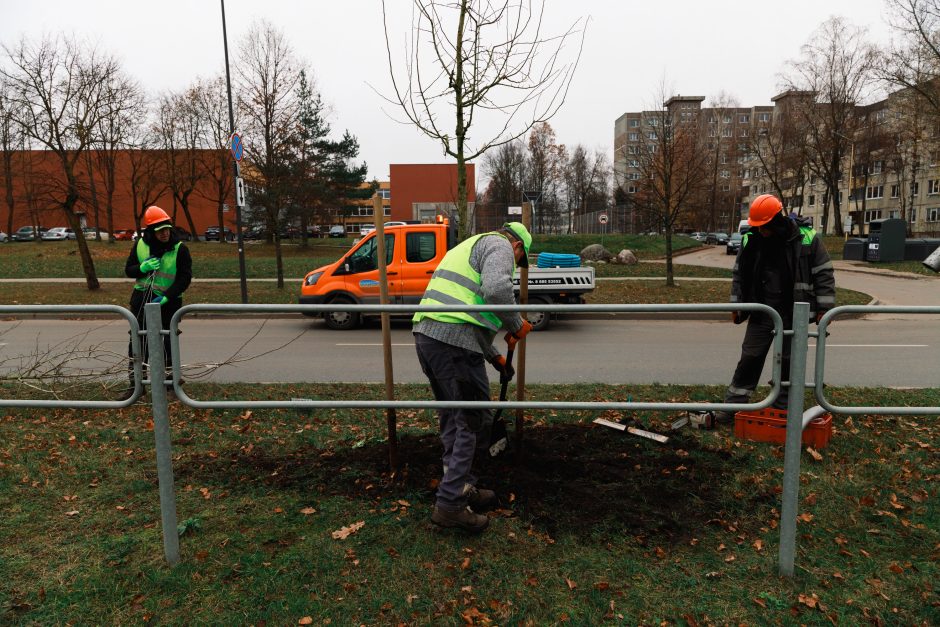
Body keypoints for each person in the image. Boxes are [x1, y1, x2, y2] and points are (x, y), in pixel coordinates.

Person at [413, 222, 534, 532]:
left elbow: (464, 312)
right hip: (453, 343)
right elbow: (496, 290)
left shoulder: (469, 246)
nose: (514, 262)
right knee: (472, 419)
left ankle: (460, 485)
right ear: (517, 247)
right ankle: (450, 504)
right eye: (519, 260)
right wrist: (516, 323)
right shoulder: (500, 245)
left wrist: (494, 356)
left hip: (430, 337)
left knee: (454, 417)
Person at [716, 194, 835, 421]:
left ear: (776, 220)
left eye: (765, 226)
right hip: (761, 313)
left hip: (793, 314)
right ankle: (732, 408)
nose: (761, 231)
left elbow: (824, 273)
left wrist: (824, 309)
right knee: (750, 358)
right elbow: (739, 274)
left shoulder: (806, 237)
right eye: (758, 227)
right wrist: (736, 304)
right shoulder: (751, 239)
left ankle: (783, 409)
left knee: (789, 362)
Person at [122, 206, 193, 397]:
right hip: (141, 300)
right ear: (151, 231)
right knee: (137, 341)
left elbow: (184, 278)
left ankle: (171, 386)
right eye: (160, 230)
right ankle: (136, 385)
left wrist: (168, 296)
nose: (165, 234)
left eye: (167, 229)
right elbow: (129, 270)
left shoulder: (180, 249)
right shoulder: (140, 245)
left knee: (168, 343)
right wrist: (142, 268)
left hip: (168, 303)